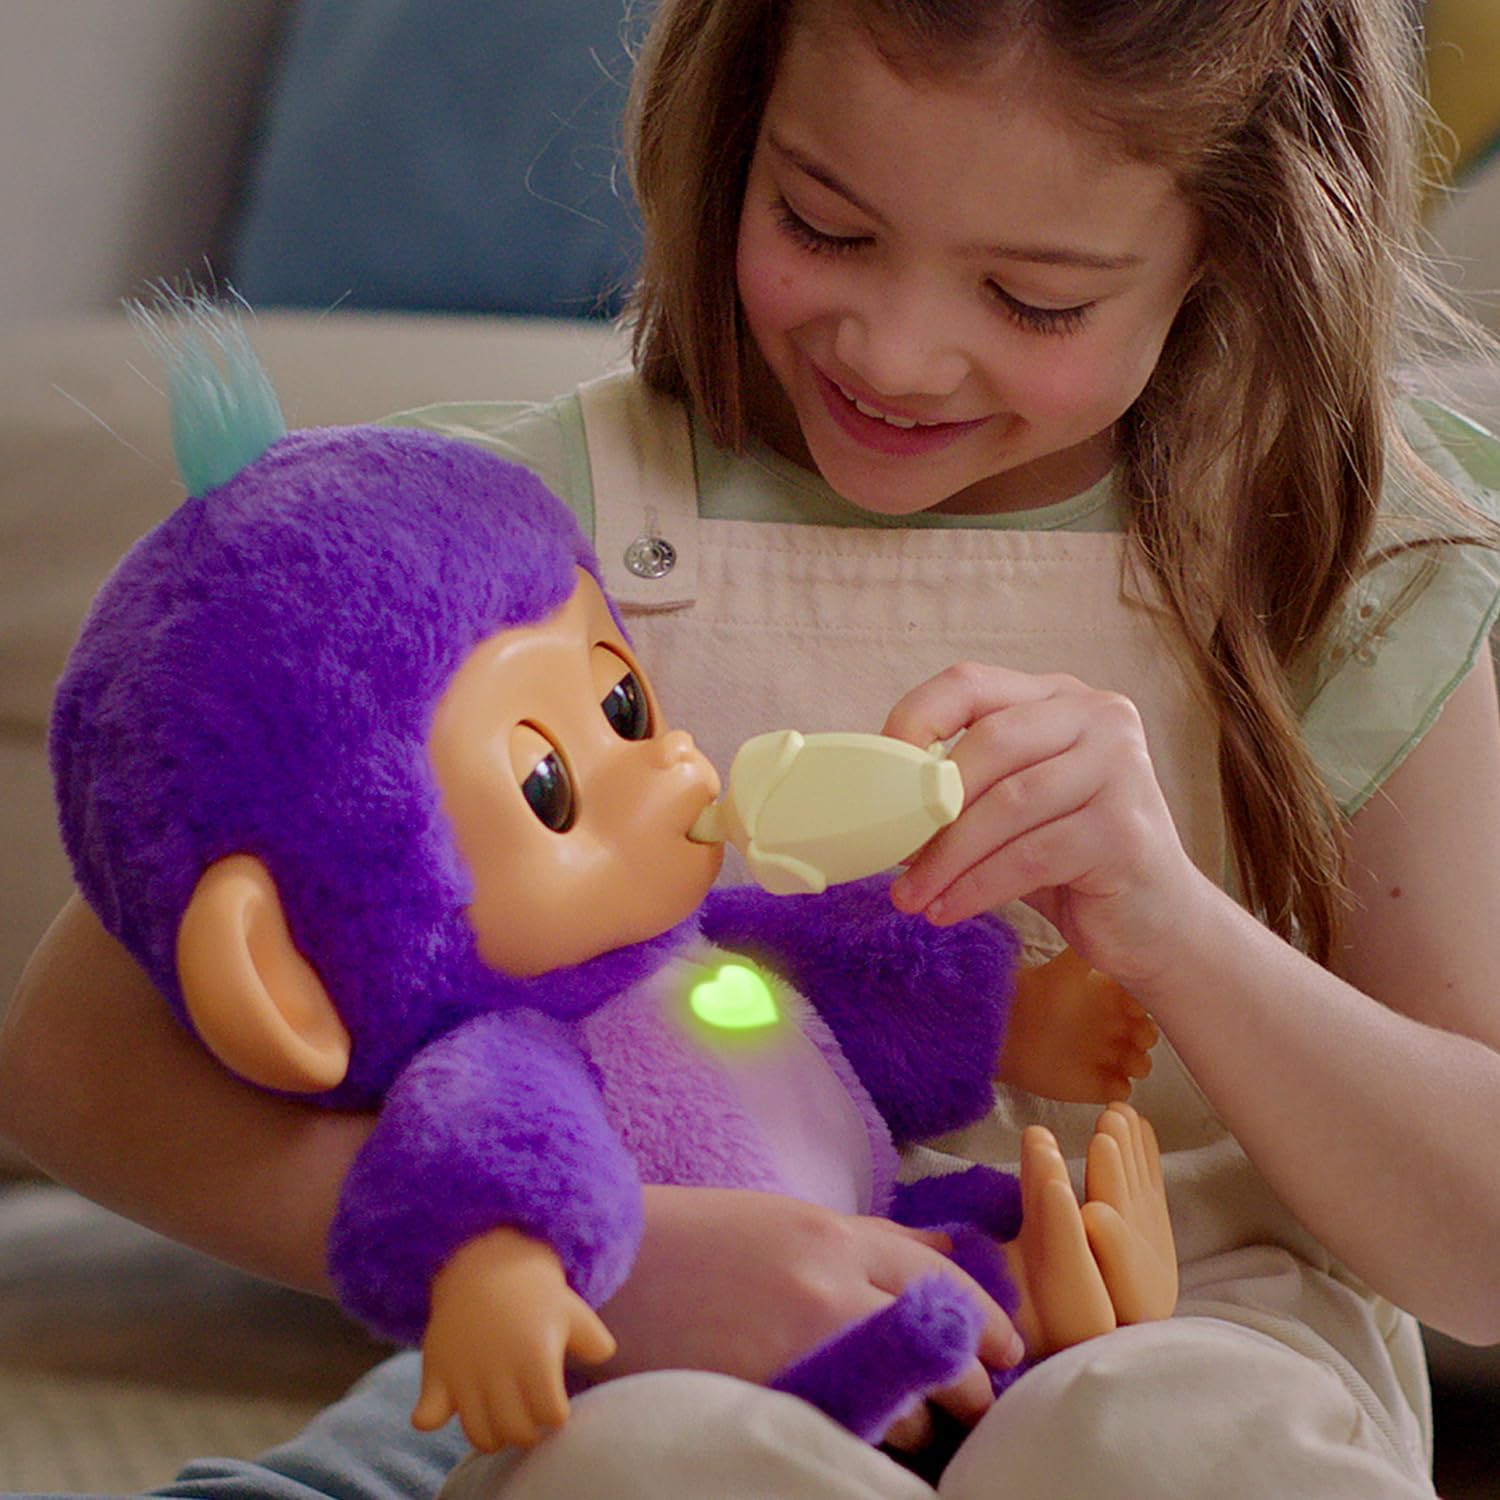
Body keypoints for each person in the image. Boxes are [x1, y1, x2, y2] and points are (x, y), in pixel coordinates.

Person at [3, 0, 1499, 1496]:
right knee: (656, 1463)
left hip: (1211, 1347)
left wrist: (1175, 928)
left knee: (1173, 1444)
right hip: (668, 1374)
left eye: (1035, 299)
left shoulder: (1343, 563)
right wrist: (611, 1255)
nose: (897, 353)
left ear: (1236, 241)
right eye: (823, 225)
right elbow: (70, 1062)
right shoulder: (506, 531)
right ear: (735, 133)